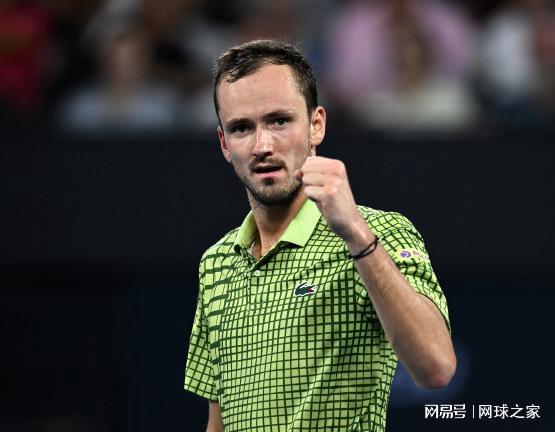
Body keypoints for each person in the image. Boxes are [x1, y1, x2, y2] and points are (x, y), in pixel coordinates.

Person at [184, 39, 456, 432]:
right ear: (225, 144)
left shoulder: (381, 232)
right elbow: (218, 424)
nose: (262, 146)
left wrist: (356, 235)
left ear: (316, 125)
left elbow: (436, 367)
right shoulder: (216, 262)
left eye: (279, 121)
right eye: (242, 128)